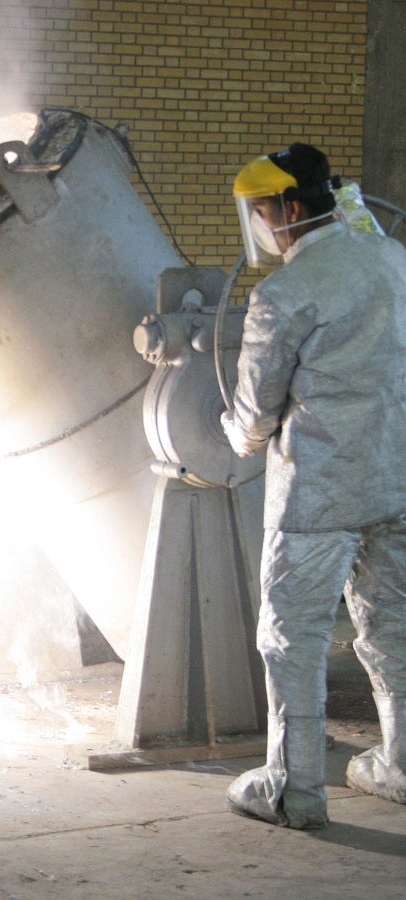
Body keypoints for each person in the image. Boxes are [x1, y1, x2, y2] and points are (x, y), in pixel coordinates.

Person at [221, 144, 406, 829]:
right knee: (394, 626)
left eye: (265, 213)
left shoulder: (284, 293)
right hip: (396, 477)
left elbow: (255, 413)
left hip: (319, 492)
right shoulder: (393, 260)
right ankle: (400, 767)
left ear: (292, 209)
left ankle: (294, 788)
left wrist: (234, 436)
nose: (264, 225)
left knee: (291, 636)